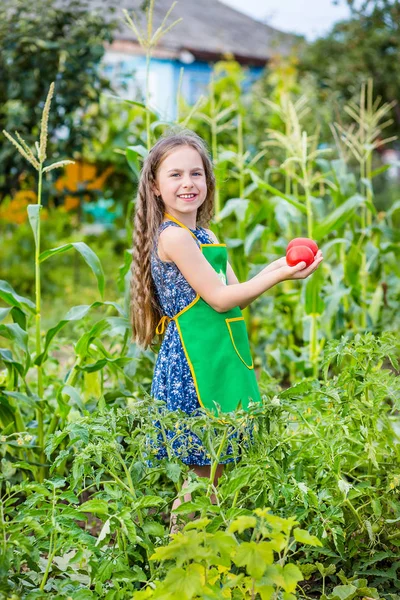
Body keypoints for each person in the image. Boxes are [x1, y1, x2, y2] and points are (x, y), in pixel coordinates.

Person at [130, 129, 323, 535]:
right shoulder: (175, 238)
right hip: (193, 363)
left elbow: (235, 295)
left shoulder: (203, 235)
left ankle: (198, 552)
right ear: (155, 187)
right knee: (204, 469)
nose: (188, 183)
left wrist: (280, 268)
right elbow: (218, 299)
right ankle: (178, 557)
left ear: (208, 181)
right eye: (176, 175)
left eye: (196, 174)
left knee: (215, 467)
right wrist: (282, 274)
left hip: (215, 352)